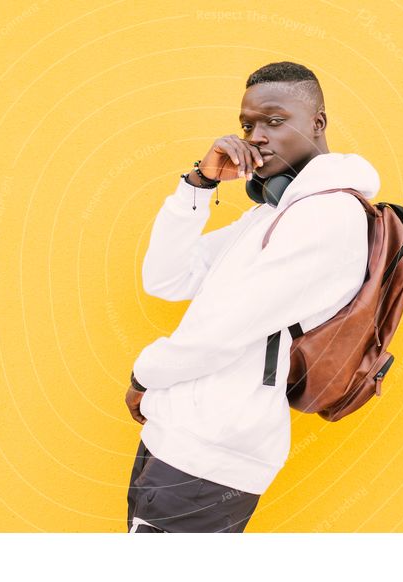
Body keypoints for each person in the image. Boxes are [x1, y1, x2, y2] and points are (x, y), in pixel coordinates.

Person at [125, 61, 381, 533]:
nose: (256, 136)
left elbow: (225, 328)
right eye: (248, 124)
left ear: (317, 123)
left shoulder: (328, 216)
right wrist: (198, 186)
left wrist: (146, 374)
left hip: (213, 452)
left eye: (275, 121)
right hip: (180, 437)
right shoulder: (273, 214)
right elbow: (166, 279)